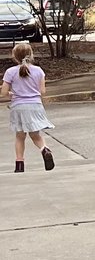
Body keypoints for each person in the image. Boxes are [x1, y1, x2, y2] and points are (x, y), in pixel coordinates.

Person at [2, 42, 55, 172]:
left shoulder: (10, 72)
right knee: (35, 134)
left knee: (20, 136)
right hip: (35, 105)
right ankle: (44, 149)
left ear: (14, 56)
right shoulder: (38, 71)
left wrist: (11, 93)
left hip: (18, 106)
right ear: (31, 55)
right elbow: (42, 91)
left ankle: (19, 164)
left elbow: (3, 93)